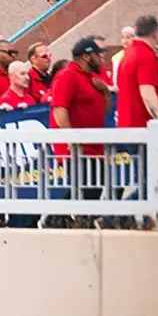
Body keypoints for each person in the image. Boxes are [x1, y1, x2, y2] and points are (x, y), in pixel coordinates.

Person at [50, 38, 109, 220]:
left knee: (95, 186)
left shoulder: (91, 78)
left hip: (93, 145)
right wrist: (70, 140)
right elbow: (59, 109)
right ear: (86, 56)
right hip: (76, 147)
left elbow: (105, 110)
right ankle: (57, 219)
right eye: (97, 55)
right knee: (86, 187)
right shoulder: (67, 75)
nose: (101, 58)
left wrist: (105, 91)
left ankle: (68, 219)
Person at [116, 15, 158, 129]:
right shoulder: (146, 56)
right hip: (141, 127)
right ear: (155, 34)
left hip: (126, 125)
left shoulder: (128, 54)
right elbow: (148, 94)